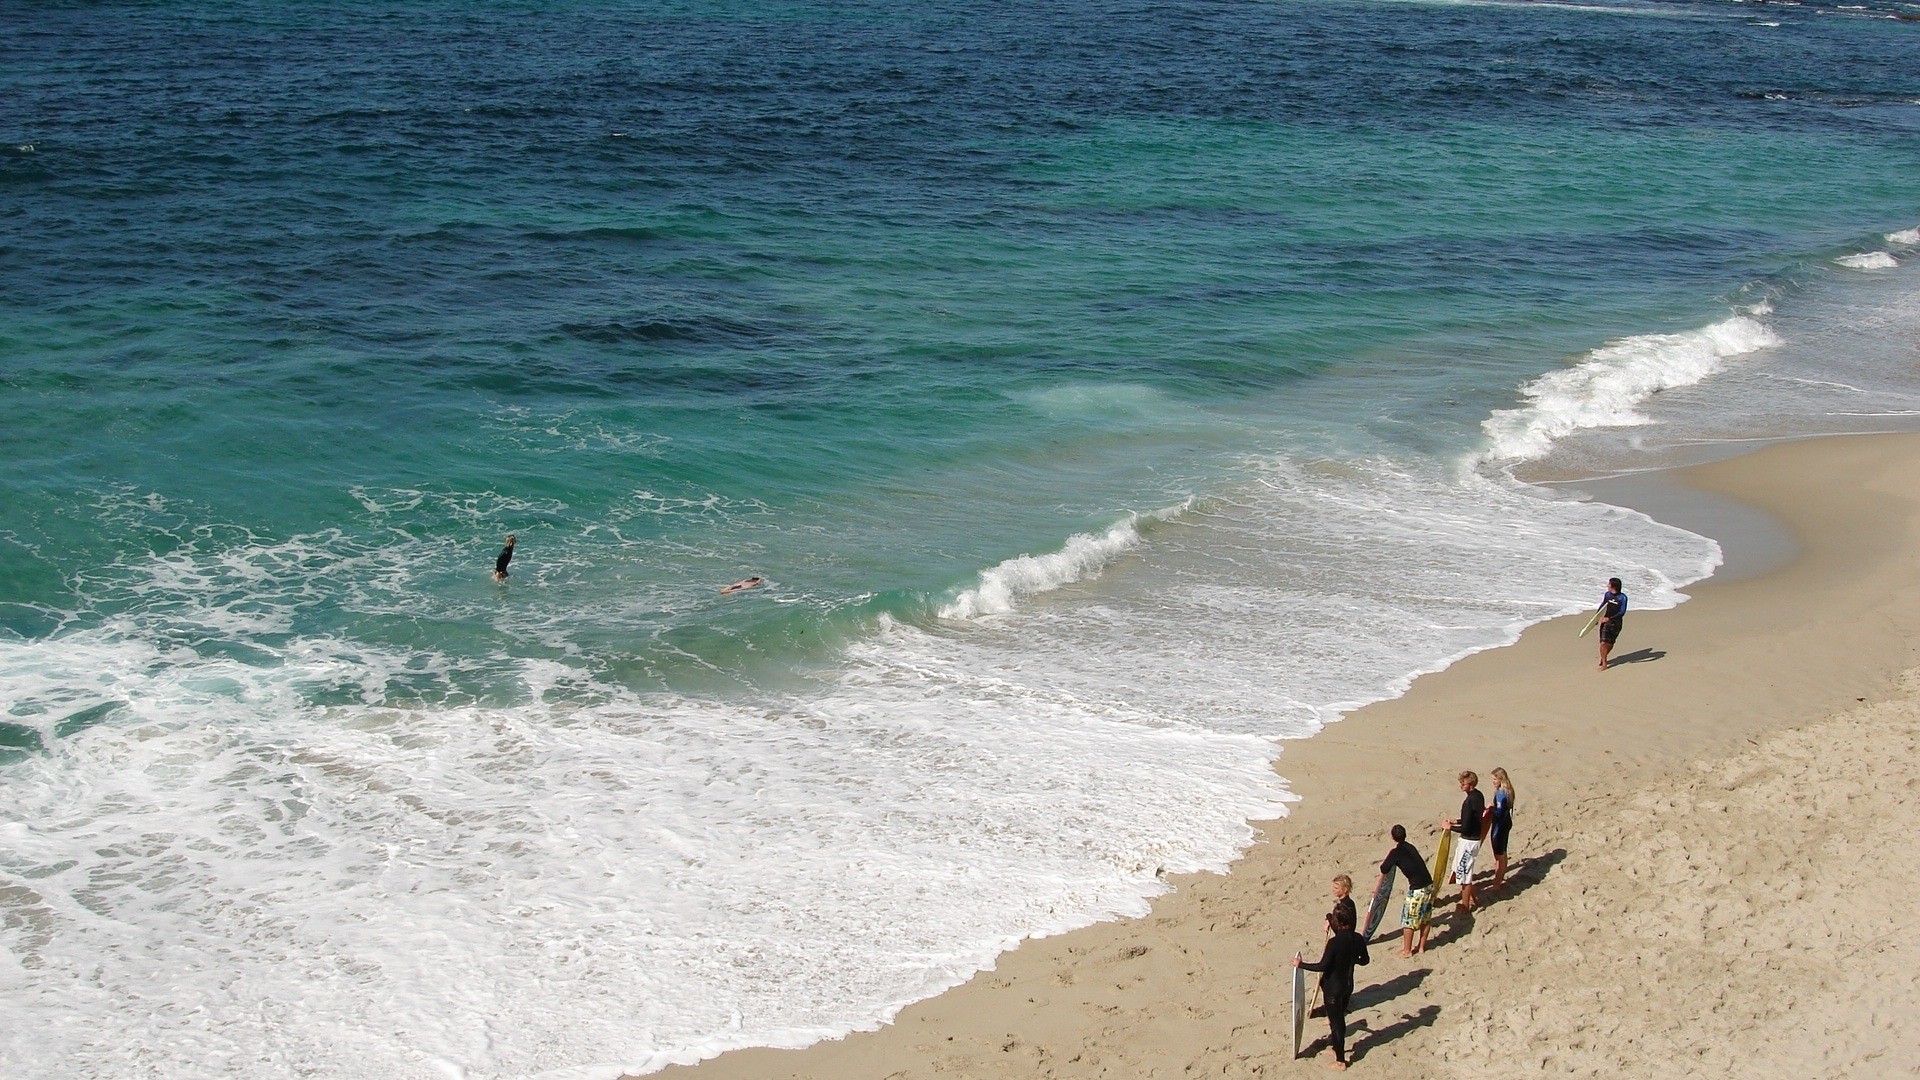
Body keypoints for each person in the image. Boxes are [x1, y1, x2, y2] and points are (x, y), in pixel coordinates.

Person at [1294, 905, 1370, 1070]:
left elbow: (1322, 966)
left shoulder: (1334, 943)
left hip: (1333, 990)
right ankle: (1337, 1050)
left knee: (1337, 1024)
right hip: (1347, 986)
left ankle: (1340, 1060)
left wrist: (1301, 965)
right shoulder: (1357, 938)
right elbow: (1364, 960)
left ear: (1339, 921)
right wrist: (1350, 960)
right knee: (1338, 1020)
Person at [1377, 824, 1434, 957]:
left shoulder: (1395, 852)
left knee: (1408, 921)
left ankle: (1407, 950)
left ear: (1393, 837)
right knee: (1425, 919)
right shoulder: (1410, 847)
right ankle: (1421, 947)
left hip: (1417, 889)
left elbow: (1384, 868)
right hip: (1429, 885)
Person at [1441, 770, 1486, 916]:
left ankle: (1465, 907)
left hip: (1468, 841)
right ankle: (1474, 900)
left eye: (1463, 783)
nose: (1461, 785)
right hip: (1474, 839)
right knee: (1464, 871)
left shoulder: (1469, 802)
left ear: (1470, 784)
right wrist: (1456, 821)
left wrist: (1450, 827)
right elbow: (1473, 818)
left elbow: (1466, 827)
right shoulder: (1479, 796)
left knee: (1464, 875)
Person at [1487, 767, 1516, 891]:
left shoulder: (1500, 794)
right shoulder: (1509, 790)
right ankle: (1501, 877)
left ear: (1500, 779)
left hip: (1499, 826)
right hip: (1506, 823)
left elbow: (1498, 812)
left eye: (1495, 779)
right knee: (1503, 852)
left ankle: (1497, 884)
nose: (1493, 781)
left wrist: (1490, 809)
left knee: (1498, 856)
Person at [1597, 576, 1628, 670]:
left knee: (1610, 644)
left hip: (1616, 623)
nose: (1607, 585)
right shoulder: (1607, 595)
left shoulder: (1622, 598)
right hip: (1605, 622)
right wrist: (1596, 618)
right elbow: (1602, 606)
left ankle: (1604, 656)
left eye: (1609, 584)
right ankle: (1604, 663)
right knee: (1603, 642)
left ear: (1613, 586)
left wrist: (1609, 618)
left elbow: (1622, 612)